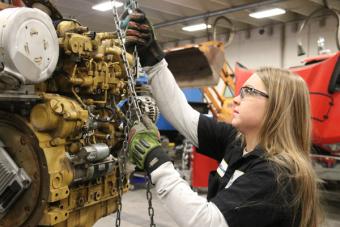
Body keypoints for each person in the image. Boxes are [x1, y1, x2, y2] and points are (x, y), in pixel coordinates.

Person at [124, 9, 323, 227]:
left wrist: (156, 160)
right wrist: (153, 61)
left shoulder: (277, 175)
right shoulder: (238, 142)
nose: (236, 100)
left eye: (248, 92)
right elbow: (182, 113)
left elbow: (207, 222)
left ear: (277, 107)